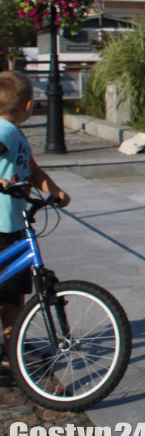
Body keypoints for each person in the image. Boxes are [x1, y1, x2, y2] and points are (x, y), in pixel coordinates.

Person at [0, 71, 70, 359]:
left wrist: (55, 191)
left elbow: (33, 168)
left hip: (14, 222)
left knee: (15, 292)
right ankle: (10, 345)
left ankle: (11, 345)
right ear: (28, 106)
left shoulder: (17, 134)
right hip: (1, 226)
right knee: (8, 292)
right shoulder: (5, 129)